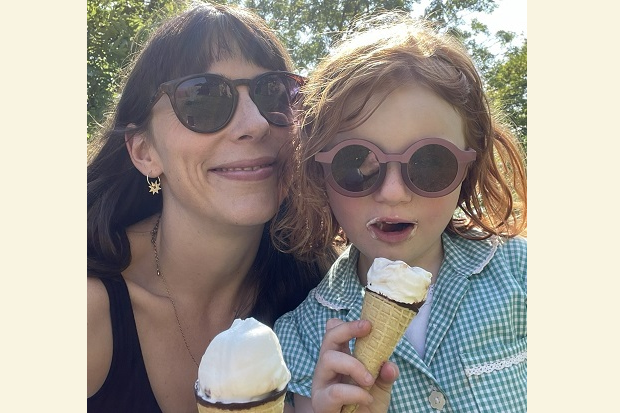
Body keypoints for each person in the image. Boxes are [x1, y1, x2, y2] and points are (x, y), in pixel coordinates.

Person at [273, 11, 527, 413]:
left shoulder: (523, 274)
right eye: (356, 165)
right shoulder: (301, 339)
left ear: (468, 168)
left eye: (430, 164)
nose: (393, 193)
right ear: (320, 176)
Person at [87, 3, 336, 412]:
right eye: (202, 97)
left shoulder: (323, 293)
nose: (255, 123)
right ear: (144, 150)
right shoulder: (86, 311)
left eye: (273, 92)